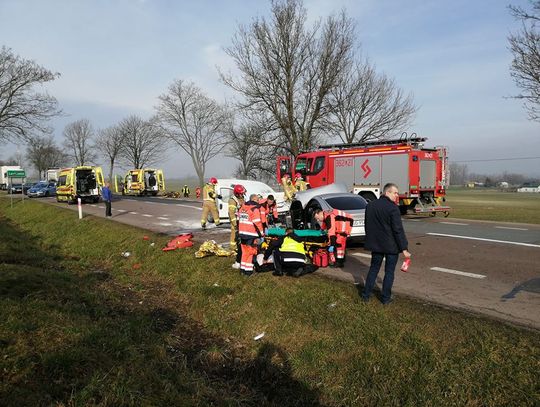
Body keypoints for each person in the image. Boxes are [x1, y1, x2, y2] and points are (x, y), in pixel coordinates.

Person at [361, 183, 411, 305]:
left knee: (373, 269)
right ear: (387, 192)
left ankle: (366, 295)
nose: (396, 195)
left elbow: (368, 225)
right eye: (395, 193)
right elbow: (397, 230)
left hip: (376, 245)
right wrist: (404, 248)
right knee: (389, 272)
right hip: (391, 246)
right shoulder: (393, 208)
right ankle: (385, 298)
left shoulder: (370, 206)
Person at [238, 193, 264, 276]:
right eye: (257, 200)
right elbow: (257, 222)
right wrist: (262, 234)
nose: (258, 201)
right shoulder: (255, 209)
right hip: (251, 234)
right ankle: (248, 272)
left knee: (244, 252)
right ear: (254, 200)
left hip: (242, 233)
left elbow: (239, 219)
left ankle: (242, 270)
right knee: (251, 252)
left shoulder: (242, 207)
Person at [229, 184, 246, 269]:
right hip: (236, 220)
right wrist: (235, 223)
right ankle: (233, 248)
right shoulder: (232, 200)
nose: (242, 195)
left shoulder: (242, 198)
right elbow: (231, 213)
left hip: (242, 220)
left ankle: (239, 247)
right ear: (237, 193)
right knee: (234, 234)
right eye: (241, 193)